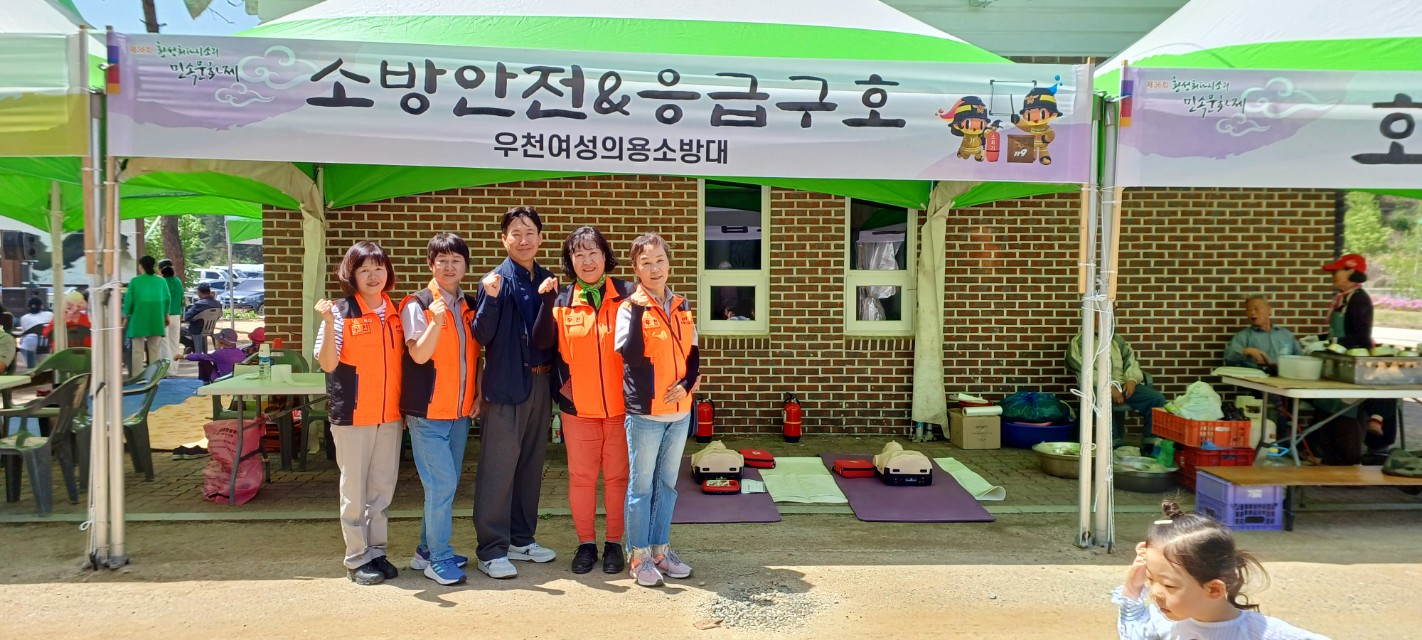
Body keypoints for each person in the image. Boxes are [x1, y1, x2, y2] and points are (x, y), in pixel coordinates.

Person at [532, 226, 634, 575]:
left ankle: (614, 543)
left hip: (622, 408)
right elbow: (542, 342)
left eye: (593, 252)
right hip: (578, 409)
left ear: (605, 256)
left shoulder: (628, 295)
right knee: (582, 478)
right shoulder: (561, 300)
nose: (587, 260)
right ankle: (586, 543)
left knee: (618, 478)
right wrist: (545, 301)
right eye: (579, 254)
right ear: (570, 261)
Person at [471, 206, 559, 579]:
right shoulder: (495, 281)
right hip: (506, 386)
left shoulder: (549, 280)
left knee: (530, 465)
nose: (523, 240)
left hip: (541, 382)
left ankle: (521, 539)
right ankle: (492, 549)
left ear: (540, 238)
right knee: (498, 468)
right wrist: (490, 299)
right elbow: (481, 335)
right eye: (515, 233)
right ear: (503, 239)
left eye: (529, 233)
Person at [313, 241, 405, 586]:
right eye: (364, 269)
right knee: (354, 491)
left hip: (389, 415)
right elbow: (327, 363)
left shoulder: (396, 312)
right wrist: (326, 323)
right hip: (353, 414)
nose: (372, 275)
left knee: (382, 488)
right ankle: (356, 558)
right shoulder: (339, 312)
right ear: (351, 275)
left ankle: (377, 551)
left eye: (378, 268)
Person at [615, 232, 701, 588]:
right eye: (646, 263)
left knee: (667, 486)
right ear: (635, 268)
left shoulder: (681, 304)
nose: (654, 269)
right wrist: (638, 309)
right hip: (646, 415)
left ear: (669, 263)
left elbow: (693, 353)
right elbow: (631, 355)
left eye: (659, 261)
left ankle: (661, 551)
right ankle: (638, 556)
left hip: (680, 413)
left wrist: (688, 383)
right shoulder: (627, 308)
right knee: (641, 488)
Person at [1114, 500, 1329, 639]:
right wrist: (1132, 587)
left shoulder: (1258, 633)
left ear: (1214, 589)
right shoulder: (1163, 621)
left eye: (1169, 585)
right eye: (1151, 579)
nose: (1155, 593)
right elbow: (1132, 634)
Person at [401, 233, 481, 586]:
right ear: (430, 264)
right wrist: (435, 321)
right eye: (442, 260)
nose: (449, 267)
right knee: (442, 484)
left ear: (465, 265)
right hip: (427, 413)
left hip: (460, 412)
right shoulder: (417, 304)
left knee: (442, 486)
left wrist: (477, 394)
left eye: (456, 260)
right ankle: (439, 558)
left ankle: (425, 551)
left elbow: (474, 356)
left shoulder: (469, 305)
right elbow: (419, 354)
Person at [1309, 254, 1395, 464]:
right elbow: (1340, 332)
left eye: (1336, 271)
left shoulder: (1358, 299)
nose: (1333, 275)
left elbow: (1360, 336)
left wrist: (1331, 343)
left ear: (1351, 271)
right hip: (1338, 363)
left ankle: (1348, 463)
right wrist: (1318, 340)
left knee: (1344, 414)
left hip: (1352, 365)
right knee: (1327, 411)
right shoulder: (1343, 298)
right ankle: (1330, 459)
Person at [1065, 330, 1167, 451]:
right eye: (1096, 318)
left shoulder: (1117, 340)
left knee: (1156, 399)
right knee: (1102, 399)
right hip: (1097, 386)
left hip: (1123, 384)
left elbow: (1131, 362)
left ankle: (1151, 445)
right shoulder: (1080, 341)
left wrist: (1132, 380)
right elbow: (1083, 369)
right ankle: (1114, 446)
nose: (1100, 320)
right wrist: (1108, 386)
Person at [1223, 296, 1302, 372]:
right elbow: (1228, 358)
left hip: (1286, 377)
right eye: (1248, 310)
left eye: (1256, 309)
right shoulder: (1243, 336)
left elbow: (1301, 358)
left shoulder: (1286, 334)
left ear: (1269, 310)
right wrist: (1247, 351)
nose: (1252, 313)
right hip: (1256, 379)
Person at [123, 256, 171, 371]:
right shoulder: (161, 281)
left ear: (140, 266)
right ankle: (154, 375)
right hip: (156, 318)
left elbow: (129, 301)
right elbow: (167, 299)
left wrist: (125, 316)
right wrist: (166, 315)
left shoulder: (135, 281)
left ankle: (137, 375)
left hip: (138, 319)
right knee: (155, 349)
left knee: (137, 350)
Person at [181, 283, 224, 353]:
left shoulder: (199, 304)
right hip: (210, 329)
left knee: (179, 330)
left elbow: (186, 317)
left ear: (199, 292)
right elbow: (220, 315)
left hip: (196, 330)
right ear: (209, 292)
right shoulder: (218, 304)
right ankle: (196, 348)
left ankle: (192, 347)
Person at [158, 259, 185, 362]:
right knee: (174, 343)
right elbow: (182, 298)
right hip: (176, 315)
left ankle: (166, 368)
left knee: (164, 343)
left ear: (161, 269)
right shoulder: (178, 281)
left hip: (164, 315)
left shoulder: (161, 282)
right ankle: (174, 367)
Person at [17, 296, 53, 368]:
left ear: (28, 307)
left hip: (30, 345)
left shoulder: (24, 318)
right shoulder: (50, 314)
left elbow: (24, 332)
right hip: (47, 344)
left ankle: (31, 368)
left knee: (25, 342)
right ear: (41, 306)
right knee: (42, 365)